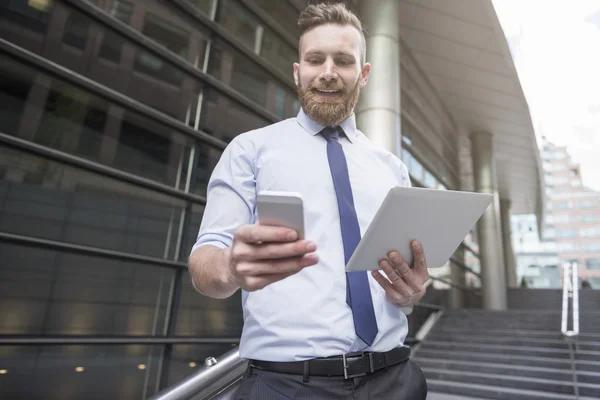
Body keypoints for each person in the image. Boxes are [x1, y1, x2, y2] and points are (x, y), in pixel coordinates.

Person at [188, 3, 429, 399]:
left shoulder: (392, 169)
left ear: (363, 74)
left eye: (344, 61)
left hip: (395, 379)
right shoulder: (251, 150)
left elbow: (407, 286)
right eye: (315, 59)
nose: (329, 72)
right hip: (286, 386)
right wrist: (231, 266)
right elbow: (204, 267)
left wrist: (413, 293)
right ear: (298, 70)